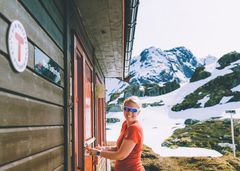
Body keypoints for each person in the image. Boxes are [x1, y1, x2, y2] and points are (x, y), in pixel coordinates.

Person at [86, 96, 145, 171]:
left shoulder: (134, 128)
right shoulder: (125, 124)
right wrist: (104, 148)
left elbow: (120, 155)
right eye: (126, 109)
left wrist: (98, 153)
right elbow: (118, 148)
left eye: (133, 110)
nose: (129, 112)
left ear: (139, 112)